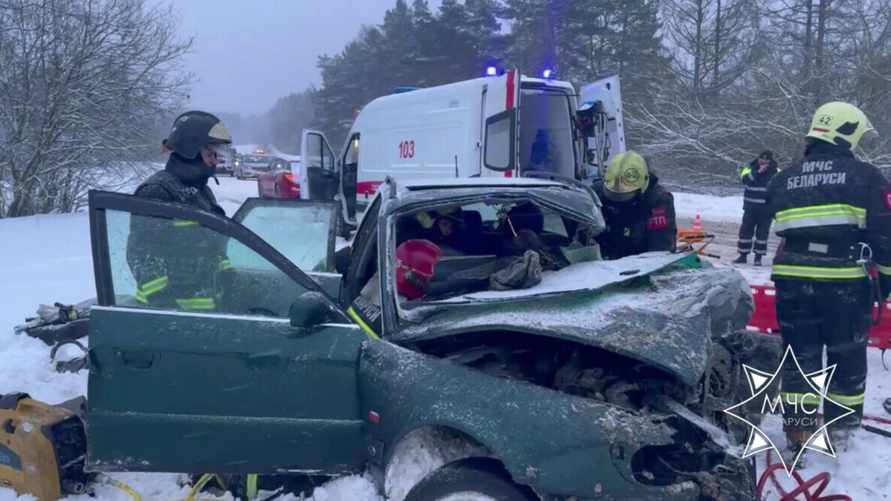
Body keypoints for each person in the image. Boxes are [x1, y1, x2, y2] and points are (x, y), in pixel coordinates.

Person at [766, 102, 891, 452]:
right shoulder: (866, 177)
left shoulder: (784, 177)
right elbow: (886, 236)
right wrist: (886, 280)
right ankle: (841, 432)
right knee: (846, 354)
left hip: (791, 278)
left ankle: (798, 432)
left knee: (799, 355)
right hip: (845, 281)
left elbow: (777, 222)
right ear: (847, 133)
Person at [126, 111, 235, 311]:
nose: (216, 160)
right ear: (190, 150)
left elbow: (210, 246)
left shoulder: (201, 191)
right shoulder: (158, 191)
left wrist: (228, 276)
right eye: (211, 153)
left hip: (205, 312)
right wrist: (163, 303)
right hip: (171, 319)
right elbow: (141, 254)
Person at [595, 151, 676, 259]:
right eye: (614, 194)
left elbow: (661, 246)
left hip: (640, 261)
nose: (618, 201)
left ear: (643, 185)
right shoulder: (595, 194)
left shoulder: (658, 200)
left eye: (624, 195)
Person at [734, 150, 779, 266]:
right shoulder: (749, 168)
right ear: (758, 158)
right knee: (745, 232)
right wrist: (757, 172)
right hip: (750, 208)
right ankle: (742, 255)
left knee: (762, 235)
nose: (763, 161)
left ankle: (758, 258)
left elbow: (778, 189)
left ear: (770, 161)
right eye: (761, 159)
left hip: (766, 210)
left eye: (766, 159)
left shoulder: (776, 172)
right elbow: (745, 180)